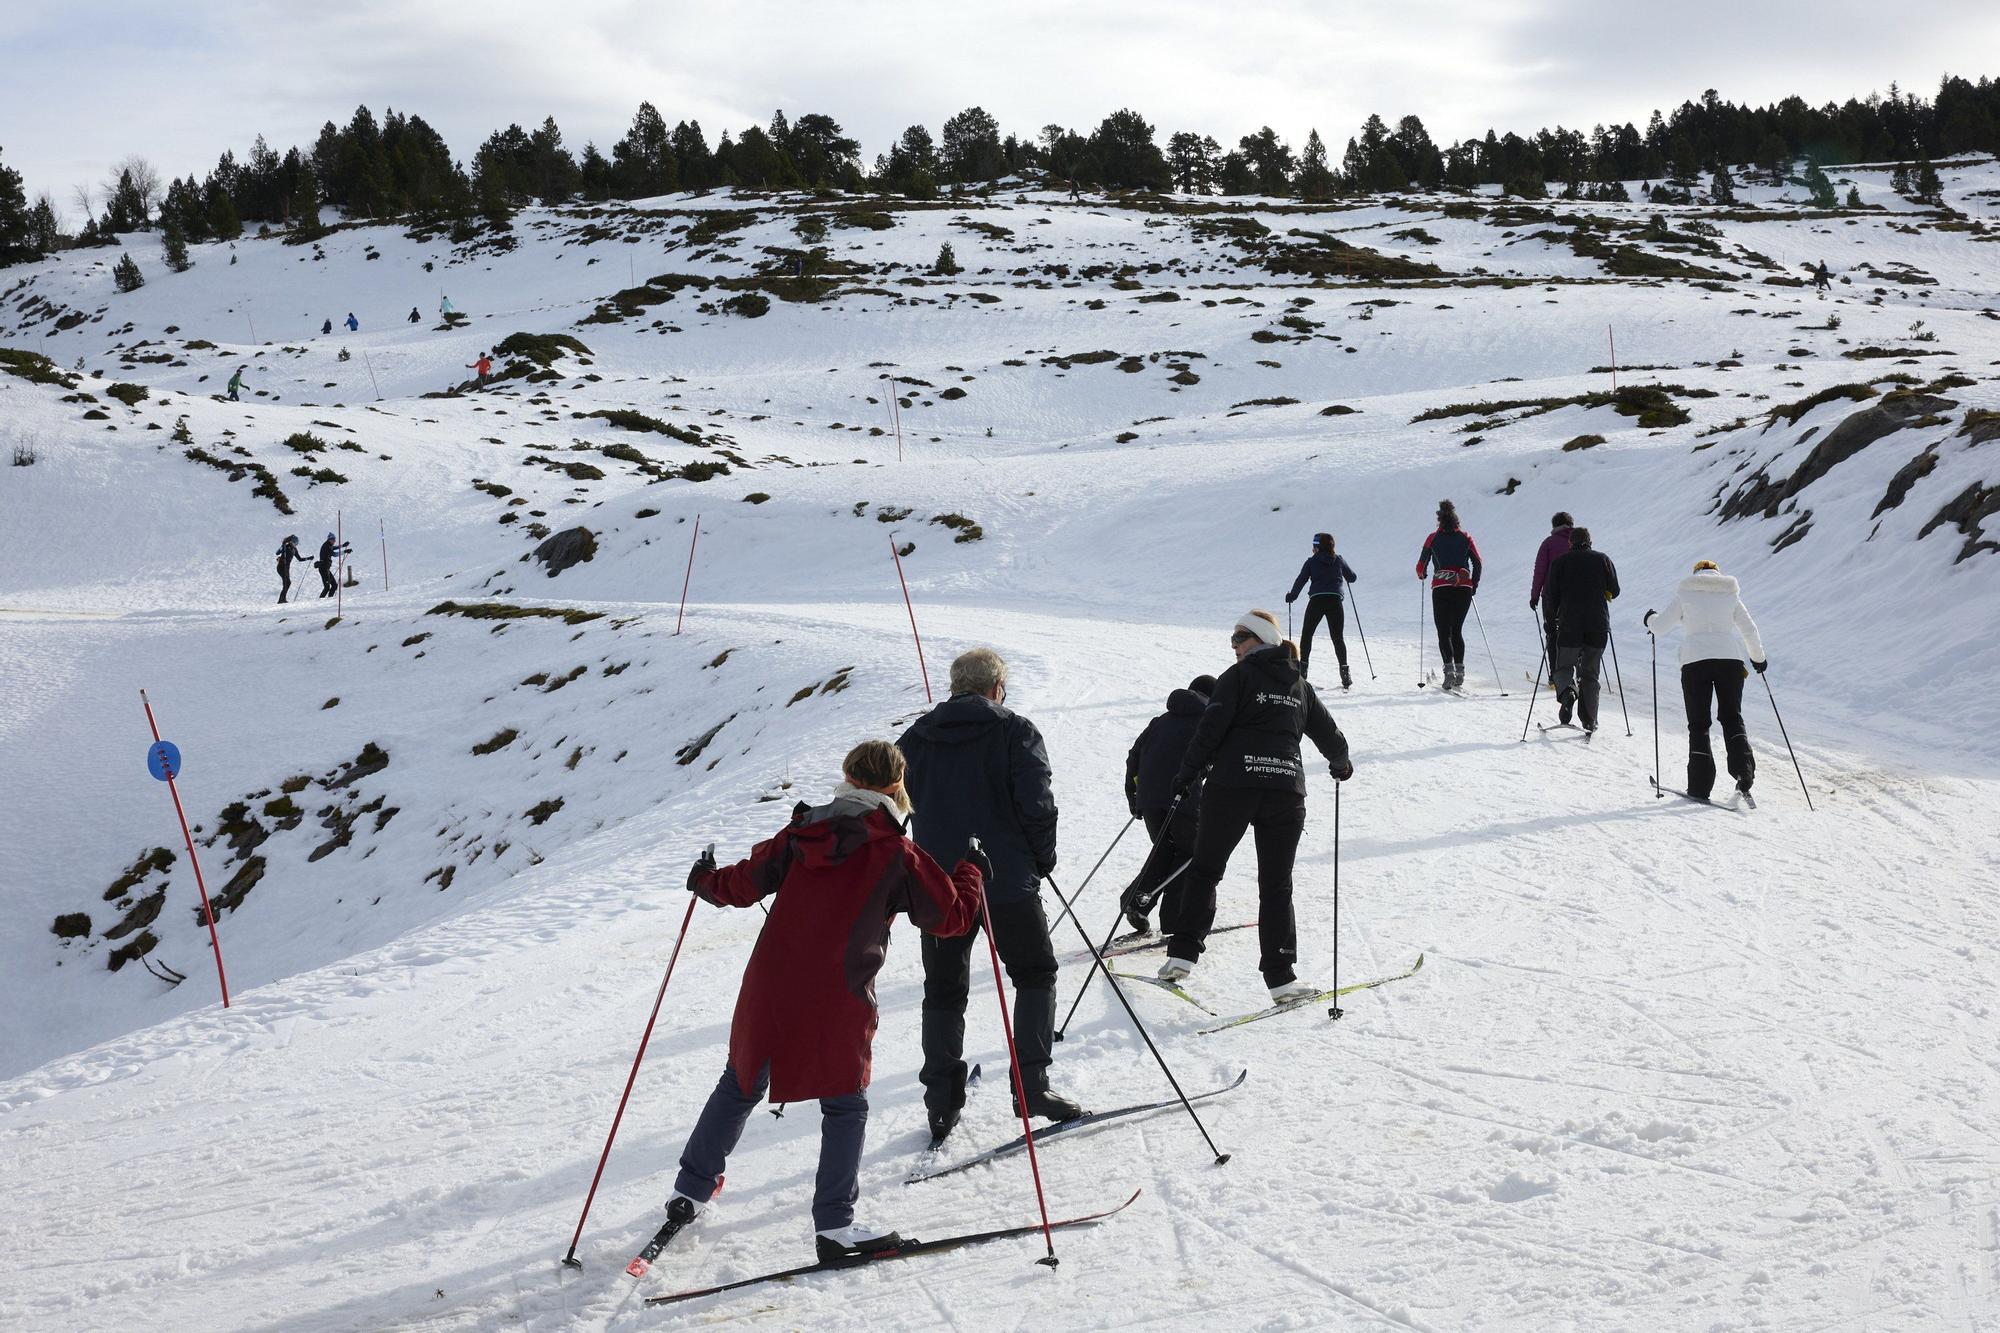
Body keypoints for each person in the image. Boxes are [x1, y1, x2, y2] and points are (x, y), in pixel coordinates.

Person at [670, 740, 984, 1262]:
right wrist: (972, 872)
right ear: (895, 786)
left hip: (771, 982)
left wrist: (704, 879)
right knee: (844, 1102)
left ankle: (689, 1192)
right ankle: (835, 1226)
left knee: (742, 1081)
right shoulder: (896, 852)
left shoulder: (801, 832)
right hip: (838, 993)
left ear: (847, 778)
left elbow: (741, 886)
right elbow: (949, 919)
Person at [899, 648, 1075, 1142]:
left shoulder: (914, 739)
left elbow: (895, 811)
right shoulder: (1015, 730)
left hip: (938, 884)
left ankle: (941, 1102)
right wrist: (1042, 859)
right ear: (996, 686)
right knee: (1035, 972)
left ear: (954, 687)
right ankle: (1032, 1085)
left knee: (944, 989)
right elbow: (1037, 804)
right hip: (1007, 879)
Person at [1161, 611, 1351, 1003]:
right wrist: (1341, 763)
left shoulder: (1238, 678)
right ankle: (1281, 977)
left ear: (1261, 638)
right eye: (1231, 639)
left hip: (1233, 786)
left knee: (1206, 869)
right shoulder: (1301, 685)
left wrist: (1185, 776)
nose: (1234, 647)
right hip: (1285, 791)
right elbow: (1330, 734)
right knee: (1276, 884)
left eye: (1239, 638)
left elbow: (1209, 729)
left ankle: (1182, 955)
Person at [1644, 561, 1767, 800]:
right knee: (1732, 717)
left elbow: (1660, 627)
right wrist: (1758, 658)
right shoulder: (1730, 594)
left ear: (1696, 573)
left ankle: (1700, 786)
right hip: (1730, 662)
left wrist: (1650, 618)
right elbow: (1749, 630)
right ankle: (1744, 773)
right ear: (1718, 574)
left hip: (1694, 662)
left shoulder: (1686, 593)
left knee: (1699, 724)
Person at [1118, 674, 1216, 933]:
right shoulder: (1207, 721)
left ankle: (1136, 901)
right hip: (1183, 798)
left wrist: (1135, 795)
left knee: (1165, 849)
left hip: (1150, 799)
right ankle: (1174, 921)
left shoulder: (1159, 722)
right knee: (1190, 855)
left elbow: (1134, 756)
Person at [1543, 527, 1620, 732]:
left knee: (1564, 666)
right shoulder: (1602, 559)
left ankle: (1568, 692)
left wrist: (1550, 623)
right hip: (1597, 625)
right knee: (1590, 673)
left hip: (1570, 625)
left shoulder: (1560, 563)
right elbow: (1616, 590)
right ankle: (1590, 719)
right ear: (1590, 541)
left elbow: (1551, 596)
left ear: (1570, 543)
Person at [1415, 499, 1483, 691]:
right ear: (1456, 521)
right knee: (1457, 630)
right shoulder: (1466, 537)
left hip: (1441, 587)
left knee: (1443, 631)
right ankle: (1460, 672)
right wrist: (1474, 584)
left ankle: (1449, 671)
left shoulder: (1432, 538)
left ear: (1440, 520)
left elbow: (1421, 566)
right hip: (1463, 588)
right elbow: (1477, 562)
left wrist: (1423, 574)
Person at [1284, 533, 1359, 689]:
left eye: (1313, 546)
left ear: (1317, 546)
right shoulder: (1338, 560)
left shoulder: (1311, 562)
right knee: (1338, 638)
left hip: (1316, 601)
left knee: (1307, 635)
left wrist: (1292, 595)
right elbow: (1352, 577)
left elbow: (1301, 579)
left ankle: (1302, 674)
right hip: (1335, 601)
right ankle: (1345, 676)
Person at [1528, 510, 1574, 663]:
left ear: (1554, 526)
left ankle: (1555, 674)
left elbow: (1540, 571)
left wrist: (1534, 596)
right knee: (1574, 631)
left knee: (1552, 633)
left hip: (1551, 596)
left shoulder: (1548, 543)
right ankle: (1578, 673)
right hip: (1575, 596)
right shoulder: (1579, 541)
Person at [275, 534, 306, 604]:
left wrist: (308, 558)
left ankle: (282, 599)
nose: (296, 545)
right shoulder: (285, 546)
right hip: (281, 567)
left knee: (287, 583)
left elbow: (300, 559)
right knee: (287, 583)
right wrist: (282, 547)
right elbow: (277, 553)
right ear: (291, 542)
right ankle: (281, 600)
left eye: (297, 544)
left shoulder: (294, 550)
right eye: (295, 543)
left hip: (286, 568)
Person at [315, 532, 348, 597]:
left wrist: (342, 545)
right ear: (330, 539)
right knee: (327, 587)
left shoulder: (328, 545)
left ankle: (329, 600)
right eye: (333, 540)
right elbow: (334, 554)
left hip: (325, 568)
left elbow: (334, 547)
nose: (335, 541)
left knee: (334, 585)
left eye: (335, 540)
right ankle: (320, 601)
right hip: (323, 569)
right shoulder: (326, 546)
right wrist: (344, 551)